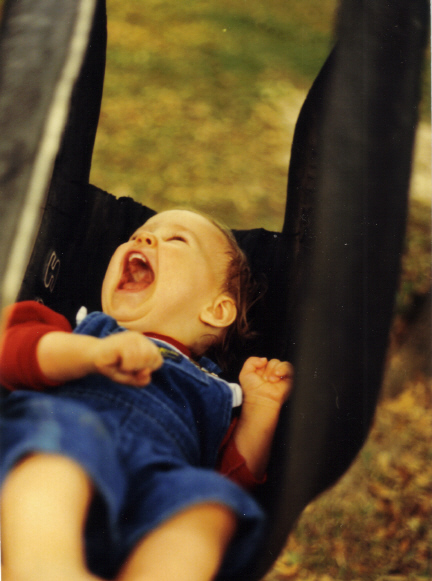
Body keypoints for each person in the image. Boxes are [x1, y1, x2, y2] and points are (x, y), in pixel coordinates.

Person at [0, 209, 293, 581]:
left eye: (177, 239)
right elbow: (10, 349)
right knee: (62, 438)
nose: (143, 239)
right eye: (138, 234)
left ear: (216, 311)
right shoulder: (79, 330)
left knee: (211, 502)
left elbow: (230, 478)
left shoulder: (220, 392)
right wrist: (86, 354)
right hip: (64, 459)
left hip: (153, 491)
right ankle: (43, 568)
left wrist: (261, 411)